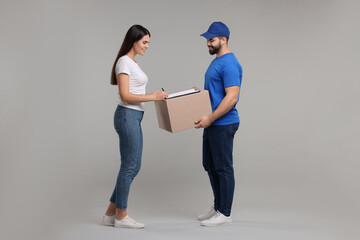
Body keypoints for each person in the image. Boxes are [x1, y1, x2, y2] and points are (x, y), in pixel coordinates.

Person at [101, 25, 168, 229]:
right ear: (134, 40)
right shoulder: (124, 62)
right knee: (130, 165)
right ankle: (121, 216)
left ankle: (110, 213)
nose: (147, 46)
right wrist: (154, 97)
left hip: (133, 117)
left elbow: (134, 92)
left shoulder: (132, 63)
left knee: (132, 165)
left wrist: (156, 96)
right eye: (144, 42)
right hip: (127, 115)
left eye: (148, 42)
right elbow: (125, 96)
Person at [195, 22, 243, 226]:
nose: (208, 43)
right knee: (210, 165)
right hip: (212, 122)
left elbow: (232, 98)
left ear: (224, 39)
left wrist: (211, 118)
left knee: (223, 168)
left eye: (211, 40)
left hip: (222, 123)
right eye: (207, 40)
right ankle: (217, 207)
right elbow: (215, 94)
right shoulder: (217, 61)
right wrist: (196, 96)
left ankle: (225, 213)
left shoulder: (229, 63)